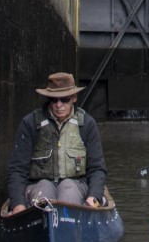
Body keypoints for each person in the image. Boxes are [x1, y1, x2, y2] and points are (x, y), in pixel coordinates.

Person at [7, 72, 107, 213]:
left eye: (64, 99)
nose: (59, 105)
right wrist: (18, 205)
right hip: (37, 186)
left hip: (77, 185)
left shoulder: (87, 124)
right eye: (53, 100)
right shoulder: (29, 123)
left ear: (74, 98)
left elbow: (97, 169)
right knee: (44, 189)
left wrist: (93, 196)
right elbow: (17, 170)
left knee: (68, 188)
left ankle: (69, 222)